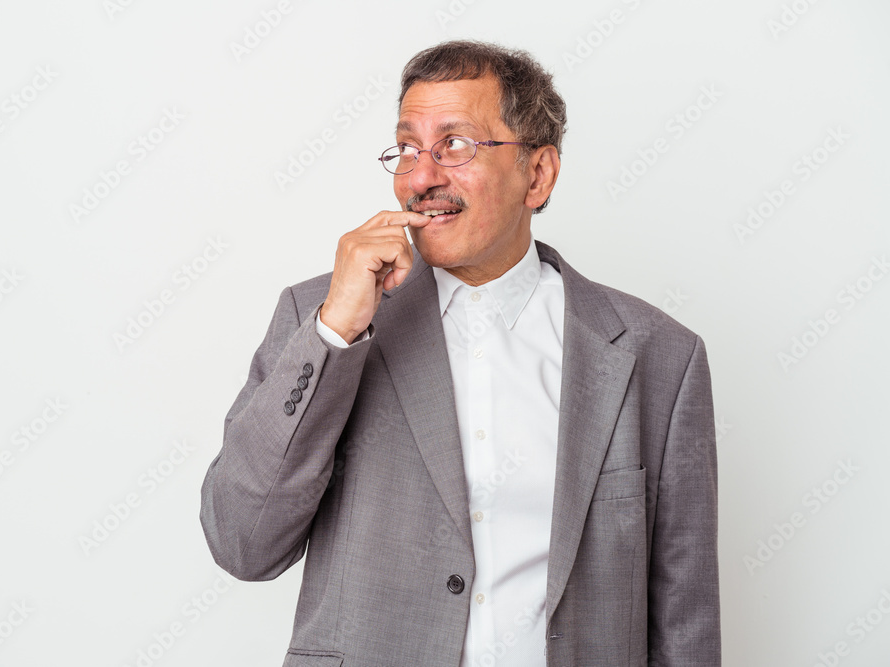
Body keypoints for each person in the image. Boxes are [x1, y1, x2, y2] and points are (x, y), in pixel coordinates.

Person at [200, 40, 721, 666]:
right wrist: (336, 333)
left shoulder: (658, 355)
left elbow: (685, 618)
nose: (421, 178)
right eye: (407, 149)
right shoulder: (319, 319)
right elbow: (243, 544)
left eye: (454, 144)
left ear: (538, 174)